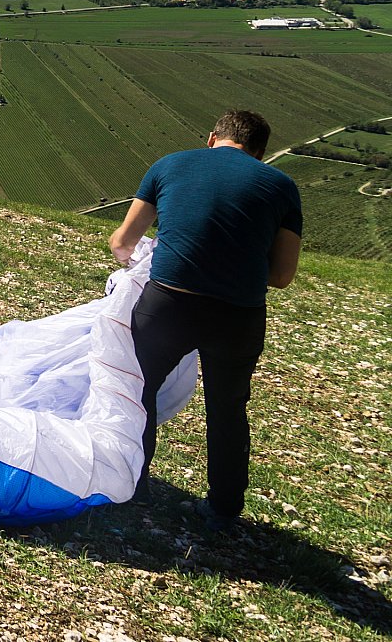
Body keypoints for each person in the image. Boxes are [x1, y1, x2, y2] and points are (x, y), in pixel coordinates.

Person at [108, 109, 303, 529]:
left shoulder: (169, 164)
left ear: (212, 137)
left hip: (168, 303)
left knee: (140, 391)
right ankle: (224, 510)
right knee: (228, 407)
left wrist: (141, 264)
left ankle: (133, 487)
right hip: (238, 315)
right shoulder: (281, 186)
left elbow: (122, 241)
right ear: (259, 153)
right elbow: (282, 276)